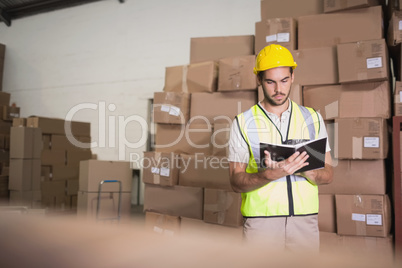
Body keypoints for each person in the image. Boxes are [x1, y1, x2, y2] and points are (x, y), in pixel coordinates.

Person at [228, 44, 333, 252]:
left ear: (293, 77)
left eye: (284, 80)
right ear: (259, 80)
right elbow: (235, 181)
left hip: (305, 222)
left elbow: (329, 174)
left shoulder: (312, 118)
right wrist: (267, 175)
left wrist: (309, 171)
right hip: (261, 225)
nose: (279, 89)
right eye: (270, 82)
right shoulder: (242, 122)